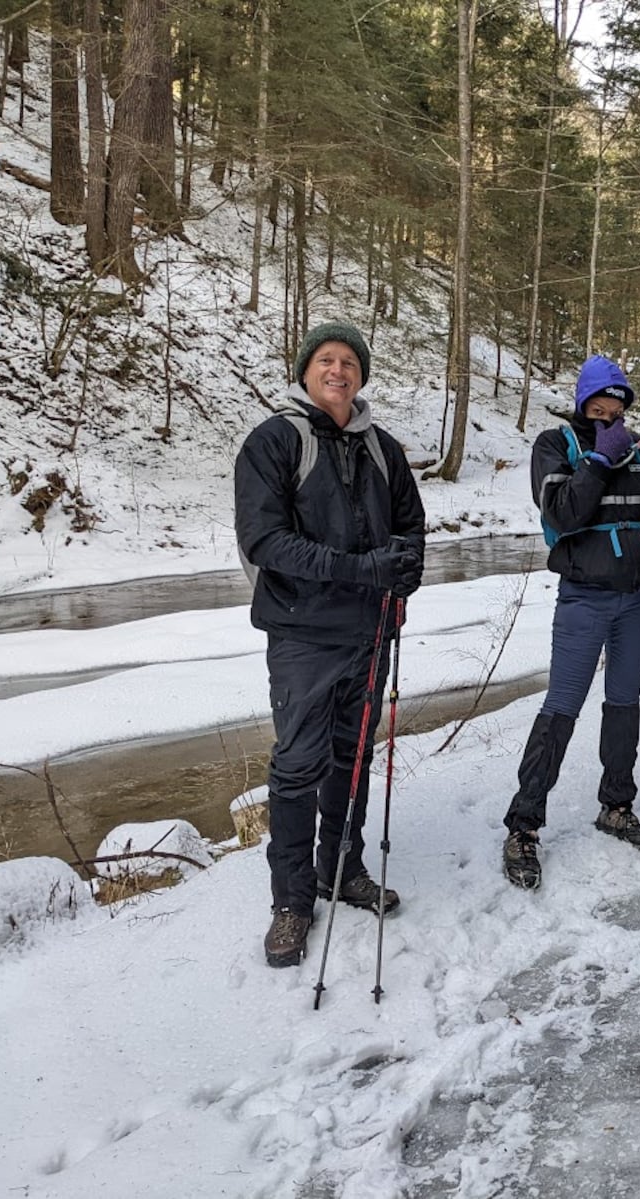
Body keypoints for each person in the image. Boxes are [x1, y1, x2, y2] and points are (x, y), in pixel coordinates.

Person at [234, 320, 426, 968]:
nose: (338, 370)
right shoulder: (274, 442)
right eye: (326, 359)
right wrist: (361, 570)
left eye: (349, 361)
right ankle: (291, 900)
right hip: (302, 635)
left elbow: (411, 525)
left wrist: (406, 573)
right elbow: (266, 541)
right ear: (307, 370)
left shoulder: (384, 449)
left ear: (360, 376)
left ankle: (342, 869)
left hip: (371, 633)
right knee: (298, 764)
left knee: (353, 758)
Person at [502, 355, 640, 890]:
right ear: (584, 402)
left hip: (638, 597)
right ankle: (523, 825)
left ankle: (616, 804)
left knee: (624, 701)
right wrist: (597, 462)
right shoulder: (555, 445)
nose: (610, 411)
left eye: (618, 403)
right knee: (562, 705)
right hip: (585, 597)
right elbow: (561, 514)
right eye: (600, 402)